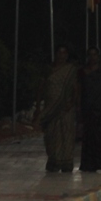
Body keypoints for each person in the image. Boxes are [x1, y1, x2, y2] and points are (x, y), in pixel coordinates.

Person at [33, 45, 79, 173]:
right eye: (60, 52)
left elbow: (75, 88)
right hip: (50, 108)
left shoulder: (71, 70)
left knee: (66, 134)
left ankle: (66, 162)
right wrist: (38, 107)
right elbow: (41, 88)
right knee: (51, 135)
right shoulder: (49, 70)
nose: (62, 55)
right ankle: (53, 161)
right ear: (55, 54)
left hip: (66, 107)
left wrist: (72, 103)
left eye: (64, 53)